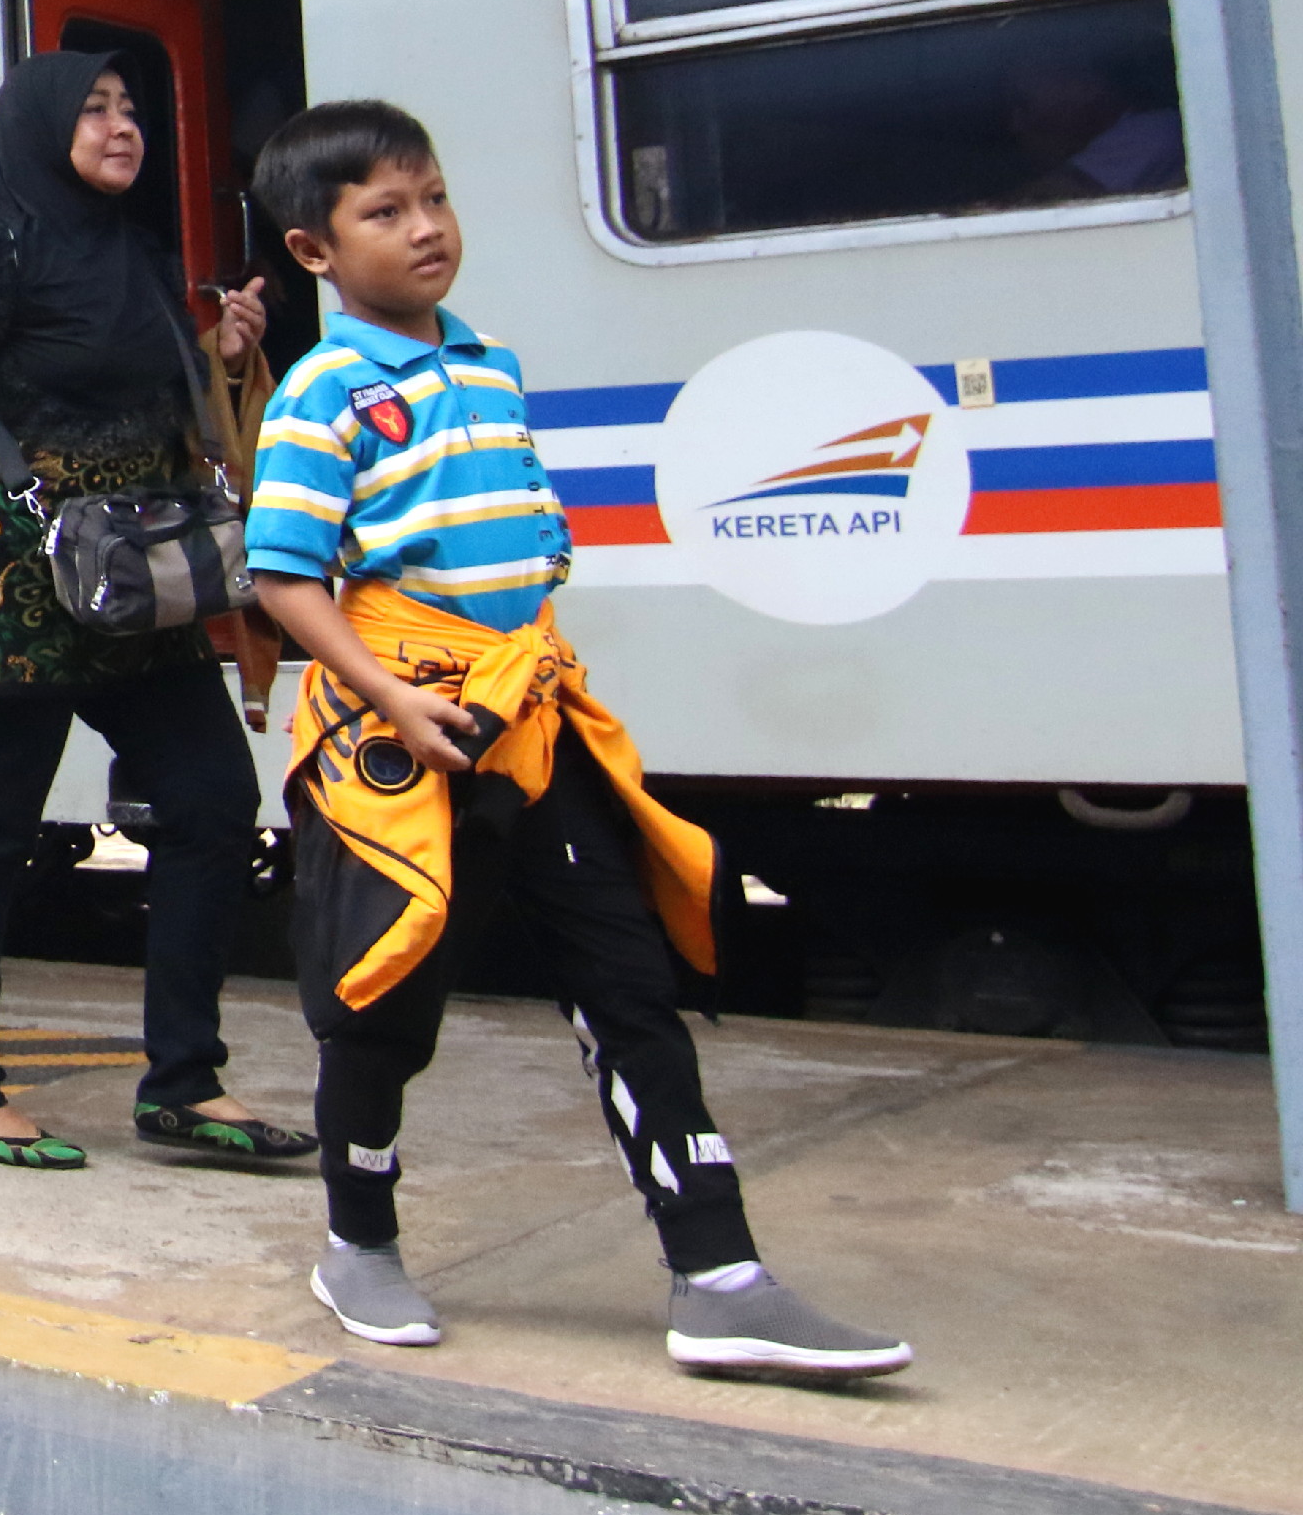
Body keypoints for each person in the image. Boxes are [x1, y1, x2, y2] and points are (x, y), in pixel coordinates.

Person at [243, 99, 909, 1379]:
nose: (426, 229)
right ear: (313, 251)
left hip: (530, 726)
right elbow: (282, 577)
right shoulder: (320, 392)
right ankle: (357, 1244)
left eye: (434, 198)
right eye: (385, 212)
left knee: (628, 985)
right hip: (402, 741)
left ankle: (718, 1274)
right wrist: (394, 701)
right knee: (383, 1001)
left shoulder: (488, 361)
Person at [0, 54, 302, 1171]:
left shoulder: (137, 251)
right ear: (40, 125)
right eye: (95, 110)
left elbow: (154, 398)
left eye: (130, 109)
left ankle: (183, 1082)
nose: (122, 126)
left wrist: (222, 357)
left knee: (213, 802)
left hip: (139, 587)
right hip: (12, 595)